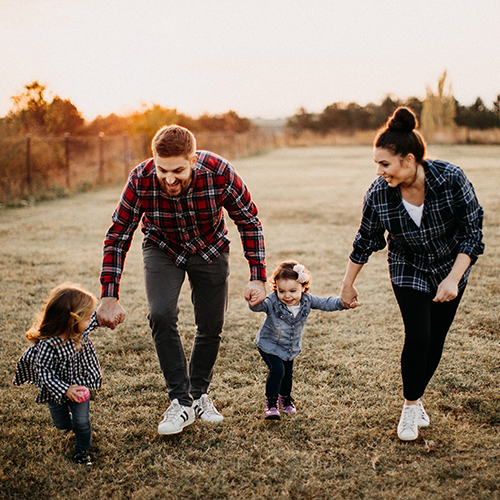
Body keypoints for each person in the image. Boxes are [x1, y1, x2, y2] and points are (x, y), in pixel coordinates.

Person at [97, 124, 267, 435]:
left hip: (211, 248)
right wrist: (109, 294)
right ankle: (180, 402)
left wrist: (258, 276)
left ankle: (199, 394)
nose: (169, 178)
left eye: (177, 170)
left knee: (211, 324)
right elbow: (118, 235)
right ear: (154, 161)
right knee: (161, 314)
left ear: (192, 160)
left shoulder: (219, 172)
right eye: (163, 170)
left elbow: (248, 220)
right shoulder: (141, 178)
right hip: (162, 247)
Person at [339, 107, 484, 441]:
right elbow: (366, 239)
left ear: (408, 159)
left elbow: (472, 234)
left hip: (451, 266)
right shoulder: (379, 193)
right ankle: (410, 406)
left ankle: (416, 398)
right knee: (418, 336)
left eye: (384, 164)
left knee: (435, 339)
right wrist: (348, 283)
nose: (379, 171)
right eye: (377, 164)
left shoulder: (450, 178)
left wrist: (453, 278)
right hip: (408, 267)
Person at [250, 260, 356, 419]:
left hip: (290, 347)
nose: (287, 296)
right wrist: (255, 301)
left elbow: (326, 303)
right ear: (276, 289)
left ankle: (285, 398)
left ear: (303, 287)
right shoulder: (272, 301)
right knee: (278, 370)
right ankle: (271, 403)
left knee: (288, 373)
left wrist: (343, 303)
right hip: (269, 344)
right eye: (282, 291)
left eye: (293, 291)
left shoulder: (307, 300)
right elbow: (259, 306)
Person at [13, 283, 104, 466]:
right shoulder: (49, 345)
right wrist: (64, 389)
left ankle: (82, 451)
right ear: (72, 321)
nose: (90, 322)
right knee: (61, 424)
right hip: (56, 389)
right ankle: (73, 426)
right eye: (86, 318)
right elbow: (44, 373)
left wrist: (111, 315)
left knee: (82, 422)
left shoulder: (81, 330)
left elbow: (97, 318)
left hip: (79, 385)